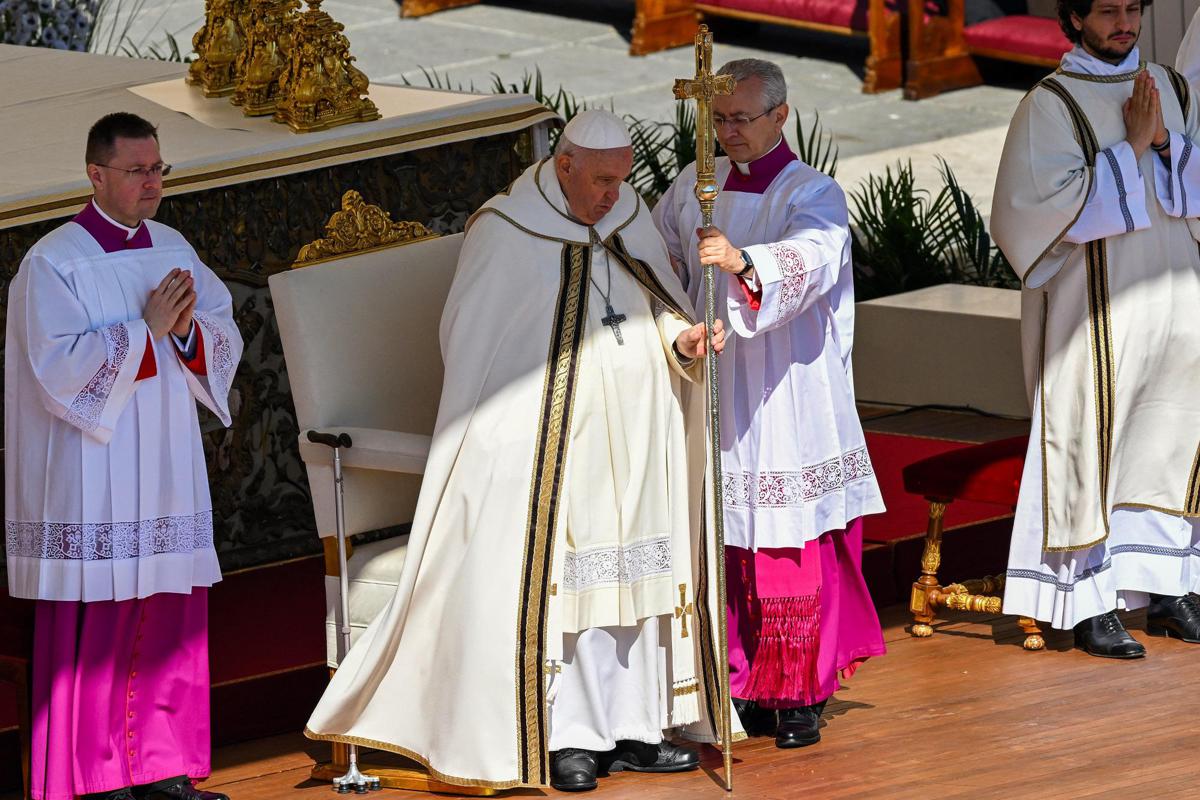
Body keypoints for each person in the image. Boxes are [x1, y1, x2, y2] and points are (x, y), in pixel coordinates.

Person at [305, 110, 730, 793]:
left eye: (622, 180)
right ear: (563, 166)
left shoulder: (625, 218)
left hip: (638, 435)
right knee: (574, 585)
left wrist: (679, 340)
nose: (612, 196)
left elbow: (654, 304)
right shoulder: (505, 233)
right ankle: (567, 737)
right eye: (600, 181)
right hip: (553, 448)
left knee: (635, 577)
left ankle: (636, 726)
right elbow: (478, 349)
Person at [5, 112, 243, 800]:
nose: (152, 183)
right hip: (95, 472)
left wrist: (190, 330)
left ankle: (163, 770)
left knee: (167, 612)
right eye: (138, 170)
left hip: (165, 461)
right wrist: (146, 331)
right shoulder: (53, 263)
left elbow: (219, 334)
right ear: (96, 175)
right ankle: (98, 779)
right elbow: (57, 373)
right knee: (103, 627)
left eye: (159, 168)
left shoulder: (172, 245)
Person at [653, 59, 886, 750]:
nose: (729, 133)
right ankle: (741, 682)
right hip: (720, 378)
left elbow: (815, 258)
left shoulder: (811, 191)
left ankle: (798, 696)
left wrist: (742, 263)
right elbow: (660, 256)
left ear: (780, 116)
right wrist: (682, 318)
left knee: (789, 540)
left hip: (789, 389)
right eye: (718, 120)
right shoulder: (696, 187)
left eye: (742, 119)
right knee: (730, 537)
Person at [992, 0, 1200, 657]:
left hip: (1172, 297)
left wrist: (1164, 141)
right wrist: (1133, 146)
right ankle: (1088, 601)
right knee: (1091, 442)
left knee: (1167, 435)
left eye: (1133, 9)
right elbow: (1031, 214)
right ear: (1075, 16)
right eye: (1107, 11)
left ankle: (1167, 587)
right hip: (1095, 311)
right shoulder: (1049, 104)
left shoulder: (1168, 85)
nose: (1125, 23)